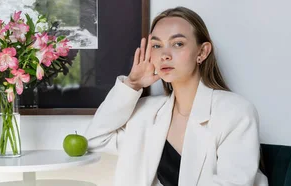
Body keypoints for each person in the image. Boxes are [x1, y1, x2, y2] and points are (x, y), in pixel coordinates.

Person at [84, 6, 268, 186]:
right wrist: (132, 84)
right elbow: (94, 141)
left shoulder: (234, 112)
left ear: (202, 52)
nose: (164, 54)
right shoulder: (146, 112)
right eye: (156, 45)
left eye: (177, 44)